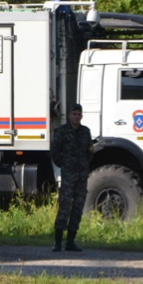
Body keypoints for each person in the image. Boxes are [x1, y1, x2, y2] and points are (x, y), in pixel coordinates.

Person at [51, 103, 93, 252]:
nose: (76, 117)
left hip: (81, 176)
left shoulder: (85, 132)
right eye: (74, 114)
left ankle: (70, 242)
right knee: (64, 208)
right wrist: (65, 165)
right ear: (69, 116)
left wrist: (83, 166)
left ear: (81, 116)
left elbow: (89, 152)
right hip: (68, 175)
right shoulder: (61, 132)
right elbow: (54, 152)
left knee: (78, 208)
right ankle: (57, 242)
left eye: (78, 114)